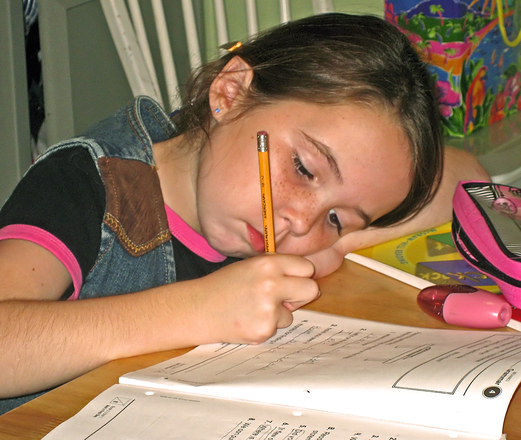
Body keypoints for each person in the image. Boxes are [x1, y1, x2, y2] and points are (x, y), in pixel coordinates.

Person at [0, 13, 488, 414]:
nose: (301, 221)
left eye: (337, 216)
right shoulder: (89, 184)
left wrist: (333, 245)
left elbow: (464, 179)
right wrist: (196, 311)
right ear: (229, 93)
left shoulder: (284, 227)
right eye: (303, 168)